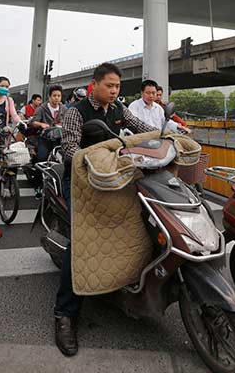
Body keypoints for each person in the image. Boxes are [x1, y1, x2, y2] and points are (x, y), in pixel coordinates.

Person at [54, 62, 156, 357]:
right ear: (94, 85)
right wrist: (91, 160)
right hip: (81, 180)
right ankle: (64, 314)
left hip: (114, 176)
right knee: (82, 244)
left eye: (117, 87)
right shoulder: (76, 111)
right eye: (109, 86)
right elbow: (69, 148)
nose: (114, 91)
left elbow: (141, 129)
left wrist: (164, 137)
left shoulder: (119, 109)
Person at [30, 85, 67, 162]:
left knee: (60, 158)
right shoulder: (42, 108)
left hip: (59, 138)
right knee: (42, 157)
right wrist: (41, 124)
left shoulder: (64, 108)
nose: (57, 98)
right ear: (49, 96)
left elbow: (68, 122)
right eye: (54, 96)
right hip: (44, 138)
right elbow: (33, 122)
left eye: (59, 96)